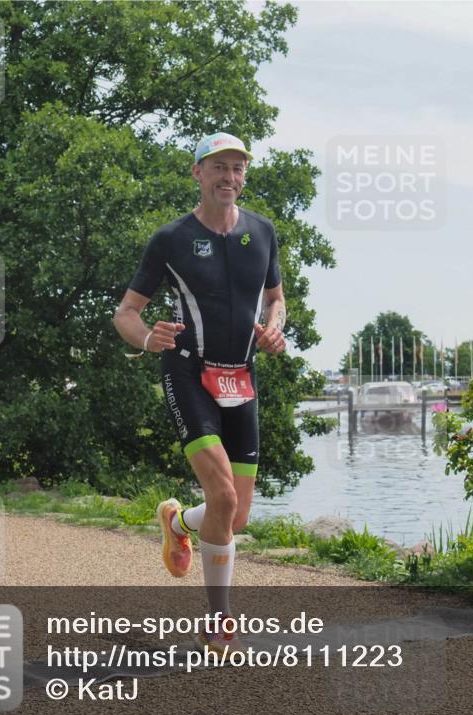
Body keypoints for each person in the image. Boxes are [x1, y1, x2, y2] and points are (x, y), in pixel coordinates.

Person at [113, 132, 286, 654]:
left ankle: (175, 520)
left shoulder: (263, 232)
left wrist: (276, 327)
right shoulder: (171, 239)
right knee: (224, 495)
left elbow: (277, 299)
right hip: (189, 373)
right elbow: (126, 313)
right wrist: (147, 338)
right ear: (197, 173)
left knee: (233, 518)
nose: (228, 178)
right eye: (218, 168)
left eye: (237, 169)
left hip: (242, 377)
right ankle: (219, 618)